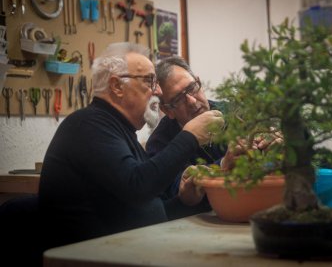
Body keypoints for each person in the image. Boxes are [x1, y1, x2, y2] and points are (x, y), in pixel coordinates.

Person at [38, 43, 224, 248]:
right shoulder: (87, 125)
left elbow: (153, 210)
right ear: (117, 86)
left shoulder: (120, 132)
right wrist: (190, 135)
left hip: (129, 249)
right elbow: (138, 186)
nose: (159, 91)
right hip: (92, 259)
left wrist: (185, 201)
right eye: (150, 81)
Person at [146, 56, 231, 218]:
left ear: (198, 82)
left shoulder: (234, 113)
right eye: (178, 99)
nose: (192, 101)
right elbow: (179, 189)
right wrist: (224, 164)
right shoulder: (159, 144)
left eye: (192, 88)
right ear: (167, 110)